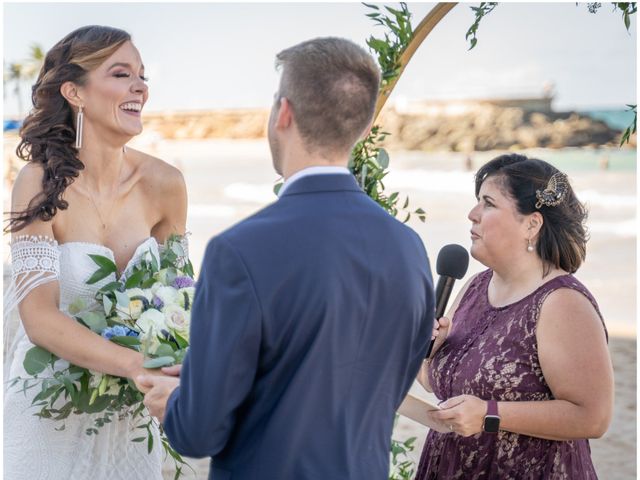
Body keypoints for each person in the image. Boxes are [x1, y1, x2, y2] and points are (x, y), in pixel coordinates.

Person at [139, 37, 435, 480]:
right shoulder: (409, 246)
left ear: (284, 113)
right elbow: (379, 387)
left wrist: (175, 402)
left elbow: (198, 434)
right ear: (361, 125)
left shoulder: (239, 251)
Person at [4, 26, 187, 479]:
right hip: (50, 407)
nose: (140, 86)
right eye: (122, 74)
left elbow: (183, 299)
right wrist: (138, 365)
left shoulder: (166, 185)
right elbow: (40, 317)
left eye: (142, 76)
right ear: (74, 92)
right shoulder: (39, 183)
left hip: (132, 416)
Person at [415, 154, 613, 479]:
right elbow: (445, 385)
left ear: (531, 224)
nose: (472, 214)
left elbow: (593, 417)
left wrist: (489, 415)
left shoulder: (562, 303)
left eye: (488, 203)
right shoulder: (474, 288)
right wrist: (428, 354)